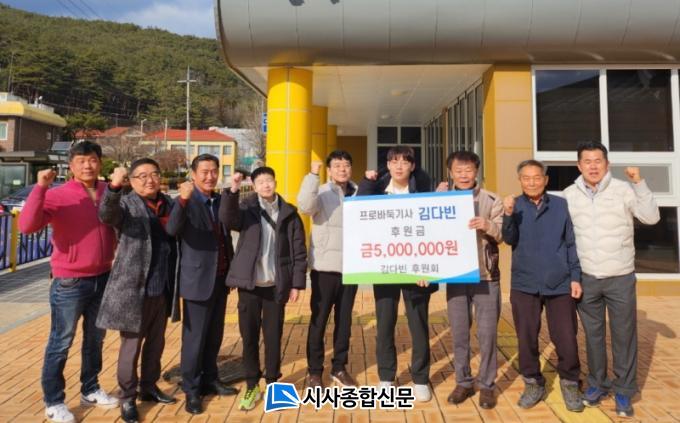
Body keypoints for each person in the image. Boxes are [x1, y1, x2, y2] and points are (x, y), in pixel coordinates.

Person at [18, 141, 119, 423]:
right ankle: (54, 401)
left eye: (93, 160)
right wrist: (41, 188)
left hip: (103, 276)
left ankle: (90, 388)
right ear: (71, 166)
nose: (88, 165)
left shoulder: (108, 191)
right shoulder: (58, 195)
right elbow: (26, 225)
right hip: (70, 282)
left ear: (100, 162)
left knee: (95, 340)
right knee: (61, 343)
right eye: (81, 161)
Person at [563, 142, 660, 418]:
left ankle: (624, 390)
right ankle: (597, 384)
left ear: (607, 164)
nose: (593, 166)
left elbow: (651, 217)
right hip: (587, 278)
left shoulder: (623, 190)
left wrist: (639, 183)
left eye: (598, 161)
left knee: (624, 336)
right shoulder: (570, 195)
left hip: (620, 277)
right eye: (587, 161)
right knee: (593, 336)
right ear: (579, 165)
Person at [96, 159, 180, 423]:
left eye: (154, 174)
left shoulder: (168, 203)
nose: (149, 180)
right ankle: (127, 396)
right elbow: (106, 214)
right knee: (131, 346)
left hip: (163, 287)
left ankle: (149, 386)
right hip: (134, 289)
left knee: (156, 343)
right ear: (131, 181)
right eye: (142, 176)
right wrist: (114, 186)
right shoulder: (126, 204)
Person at [219, 166, 307, 411]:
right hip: (250, 286)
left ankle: (273, 384)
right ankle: (251, 385)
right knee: (249, 337)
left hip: (275, 286)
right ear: (255, 186)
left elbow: (299, 251)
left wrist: (297, 283)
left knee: (273, 337)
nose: (266, 185)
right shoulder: (247, 209)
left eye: (269, 180)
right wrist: (233, 189)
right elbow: (227, 219)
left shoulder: (290, 214)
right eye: (260, 182)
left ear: (275, 182)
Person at [501, 159, 584, 412]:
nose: (532, 182)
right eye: (526, 178)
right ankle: (533, 382)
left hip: (560, 283)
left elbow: (571, 243)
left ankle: (570, 382)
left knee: (566, 336)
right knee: (526, 337)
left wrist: (575, 277)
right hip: (524, 283)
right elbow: (508, 239)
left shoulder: (560, 205)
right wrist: (507, 215)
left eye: (537, 177)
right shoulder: (514, 205)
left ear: (545, 180)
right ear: (520, 180)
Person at [357, 145, 436, 402]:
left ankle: (421, 378)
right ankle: (386, 376)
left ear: (412, 166)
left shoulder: (424, 191)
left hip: (417, 271)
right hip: (385, 269)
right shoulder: (377, 190)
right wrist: (366, 181)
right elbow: (358, 213)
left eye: (404, 161)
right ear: (388, 165)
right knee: (385, 323)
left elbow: (434, 233)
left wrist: (428, 268)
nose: (399, 166)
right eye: (394, 161)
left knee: (418, 325)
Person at [165, 154, 239, 415]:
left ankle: (210, 378)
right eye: (205, 172)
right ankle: (191, 389)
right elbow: (172, 230)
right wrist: (183, 200)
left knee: (214, 335)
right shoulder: (185, 200)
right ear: (193, 174)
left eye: (214, 171)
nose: (210, 176)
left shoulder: (218, 200)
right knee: (194, 339)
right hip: (197, 280)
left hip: (220, 278)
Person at [435, 151, 502, 409]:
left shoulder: (491, 200)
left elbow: (502, 235)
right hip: (457, 276)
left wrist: (487, 224)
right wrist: (436, 199)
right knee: (459, 333)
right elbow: (430, 234)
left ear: (476, 171)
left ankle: (487, 385)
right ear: (451, 173)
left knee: (487, 334)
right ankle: (463, 382)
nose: (464, 175)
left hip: (486, 277)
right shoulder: (442, 198)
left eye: (469, 170)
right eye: (458, 170)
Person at [297, 151, 359, 389]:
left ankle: (339, 368)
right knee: (319, 320)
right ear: (330, 170)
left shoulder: (359, 194)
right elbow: (305, 206)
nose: (342, 169)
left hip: (352, 268)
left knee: (344, 322)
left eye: (346, 165)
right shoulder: (321, 191)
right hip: (325, 267)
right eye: (337, 165)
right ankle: (315, 372)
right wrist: (312, 176)